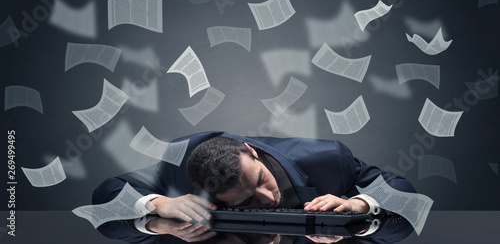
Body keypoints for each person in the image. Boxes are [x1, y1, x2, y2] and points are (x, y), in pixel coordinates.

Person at [92, 131, 415, 244]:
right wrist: (159, 204)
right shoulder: (178, 171)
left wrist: (359, 206)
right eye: (246, 200)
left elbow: (405, 201)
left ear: (252, 151)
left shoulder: (329, 158)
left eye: (260, 180)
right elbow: (106, 200)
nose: (267, 199)